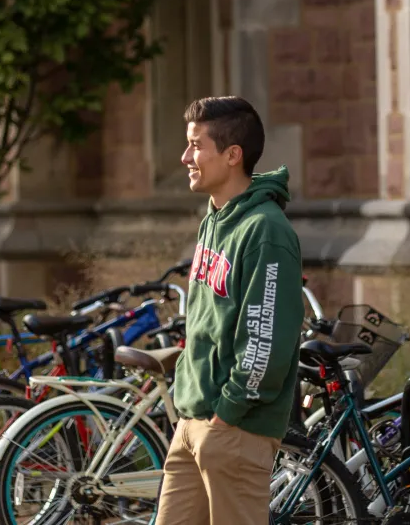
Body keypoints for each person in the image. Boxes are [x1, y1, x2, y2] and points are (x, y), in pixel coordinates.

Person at [154, 96, 304, 525]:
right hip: (192, 422)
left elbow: (265, 341)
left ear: (232, 155)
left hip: (235, 429)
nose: (185, 157)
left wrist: (227, 416)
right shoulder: (215, 219)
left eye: (196, 145)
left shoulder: (266, 232)